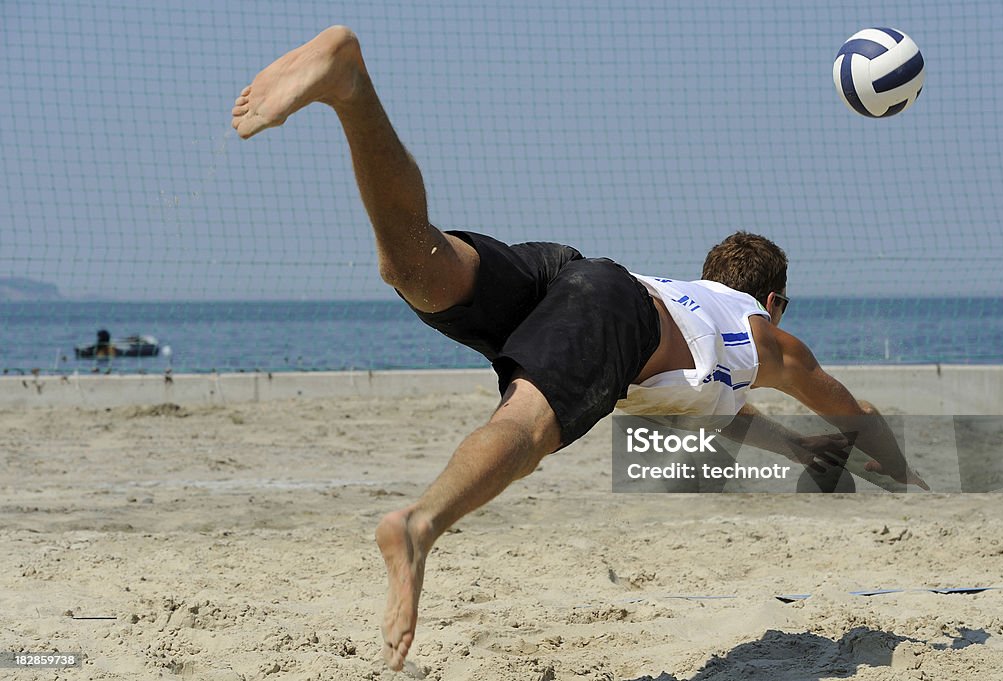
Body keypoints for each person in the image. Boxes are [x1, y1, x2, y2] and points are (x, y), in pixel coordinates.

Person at [231, 26, 928, 671]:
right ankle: (419, 525)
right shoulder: (763, 336)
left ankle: (351, 87)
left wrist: (800, 451)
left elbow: (719, 413)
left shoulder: (704, 323)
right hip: (607, 308)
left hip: (571, 274)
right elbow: (846, 405)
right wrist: (891, 456)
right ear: (773, 300)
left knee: (417, 263)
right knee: (526, 428)